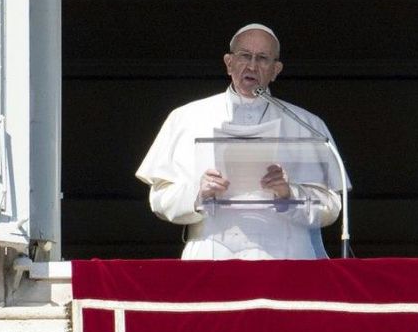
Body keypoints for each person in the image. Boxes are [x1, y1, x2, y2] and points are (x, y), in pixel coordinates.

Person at [136, 23, 347, 260]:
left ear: (276, 69)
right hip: (212, 255)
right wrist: (198, 193)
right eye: (245, 55)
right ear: (229, 63)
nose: (252, 65)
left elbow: (331, 207)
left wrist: (289, 193)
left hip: (287, 258)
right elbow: (160, 198)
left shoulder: (306, 124)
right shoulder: (185, 117)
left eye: (263, 58)